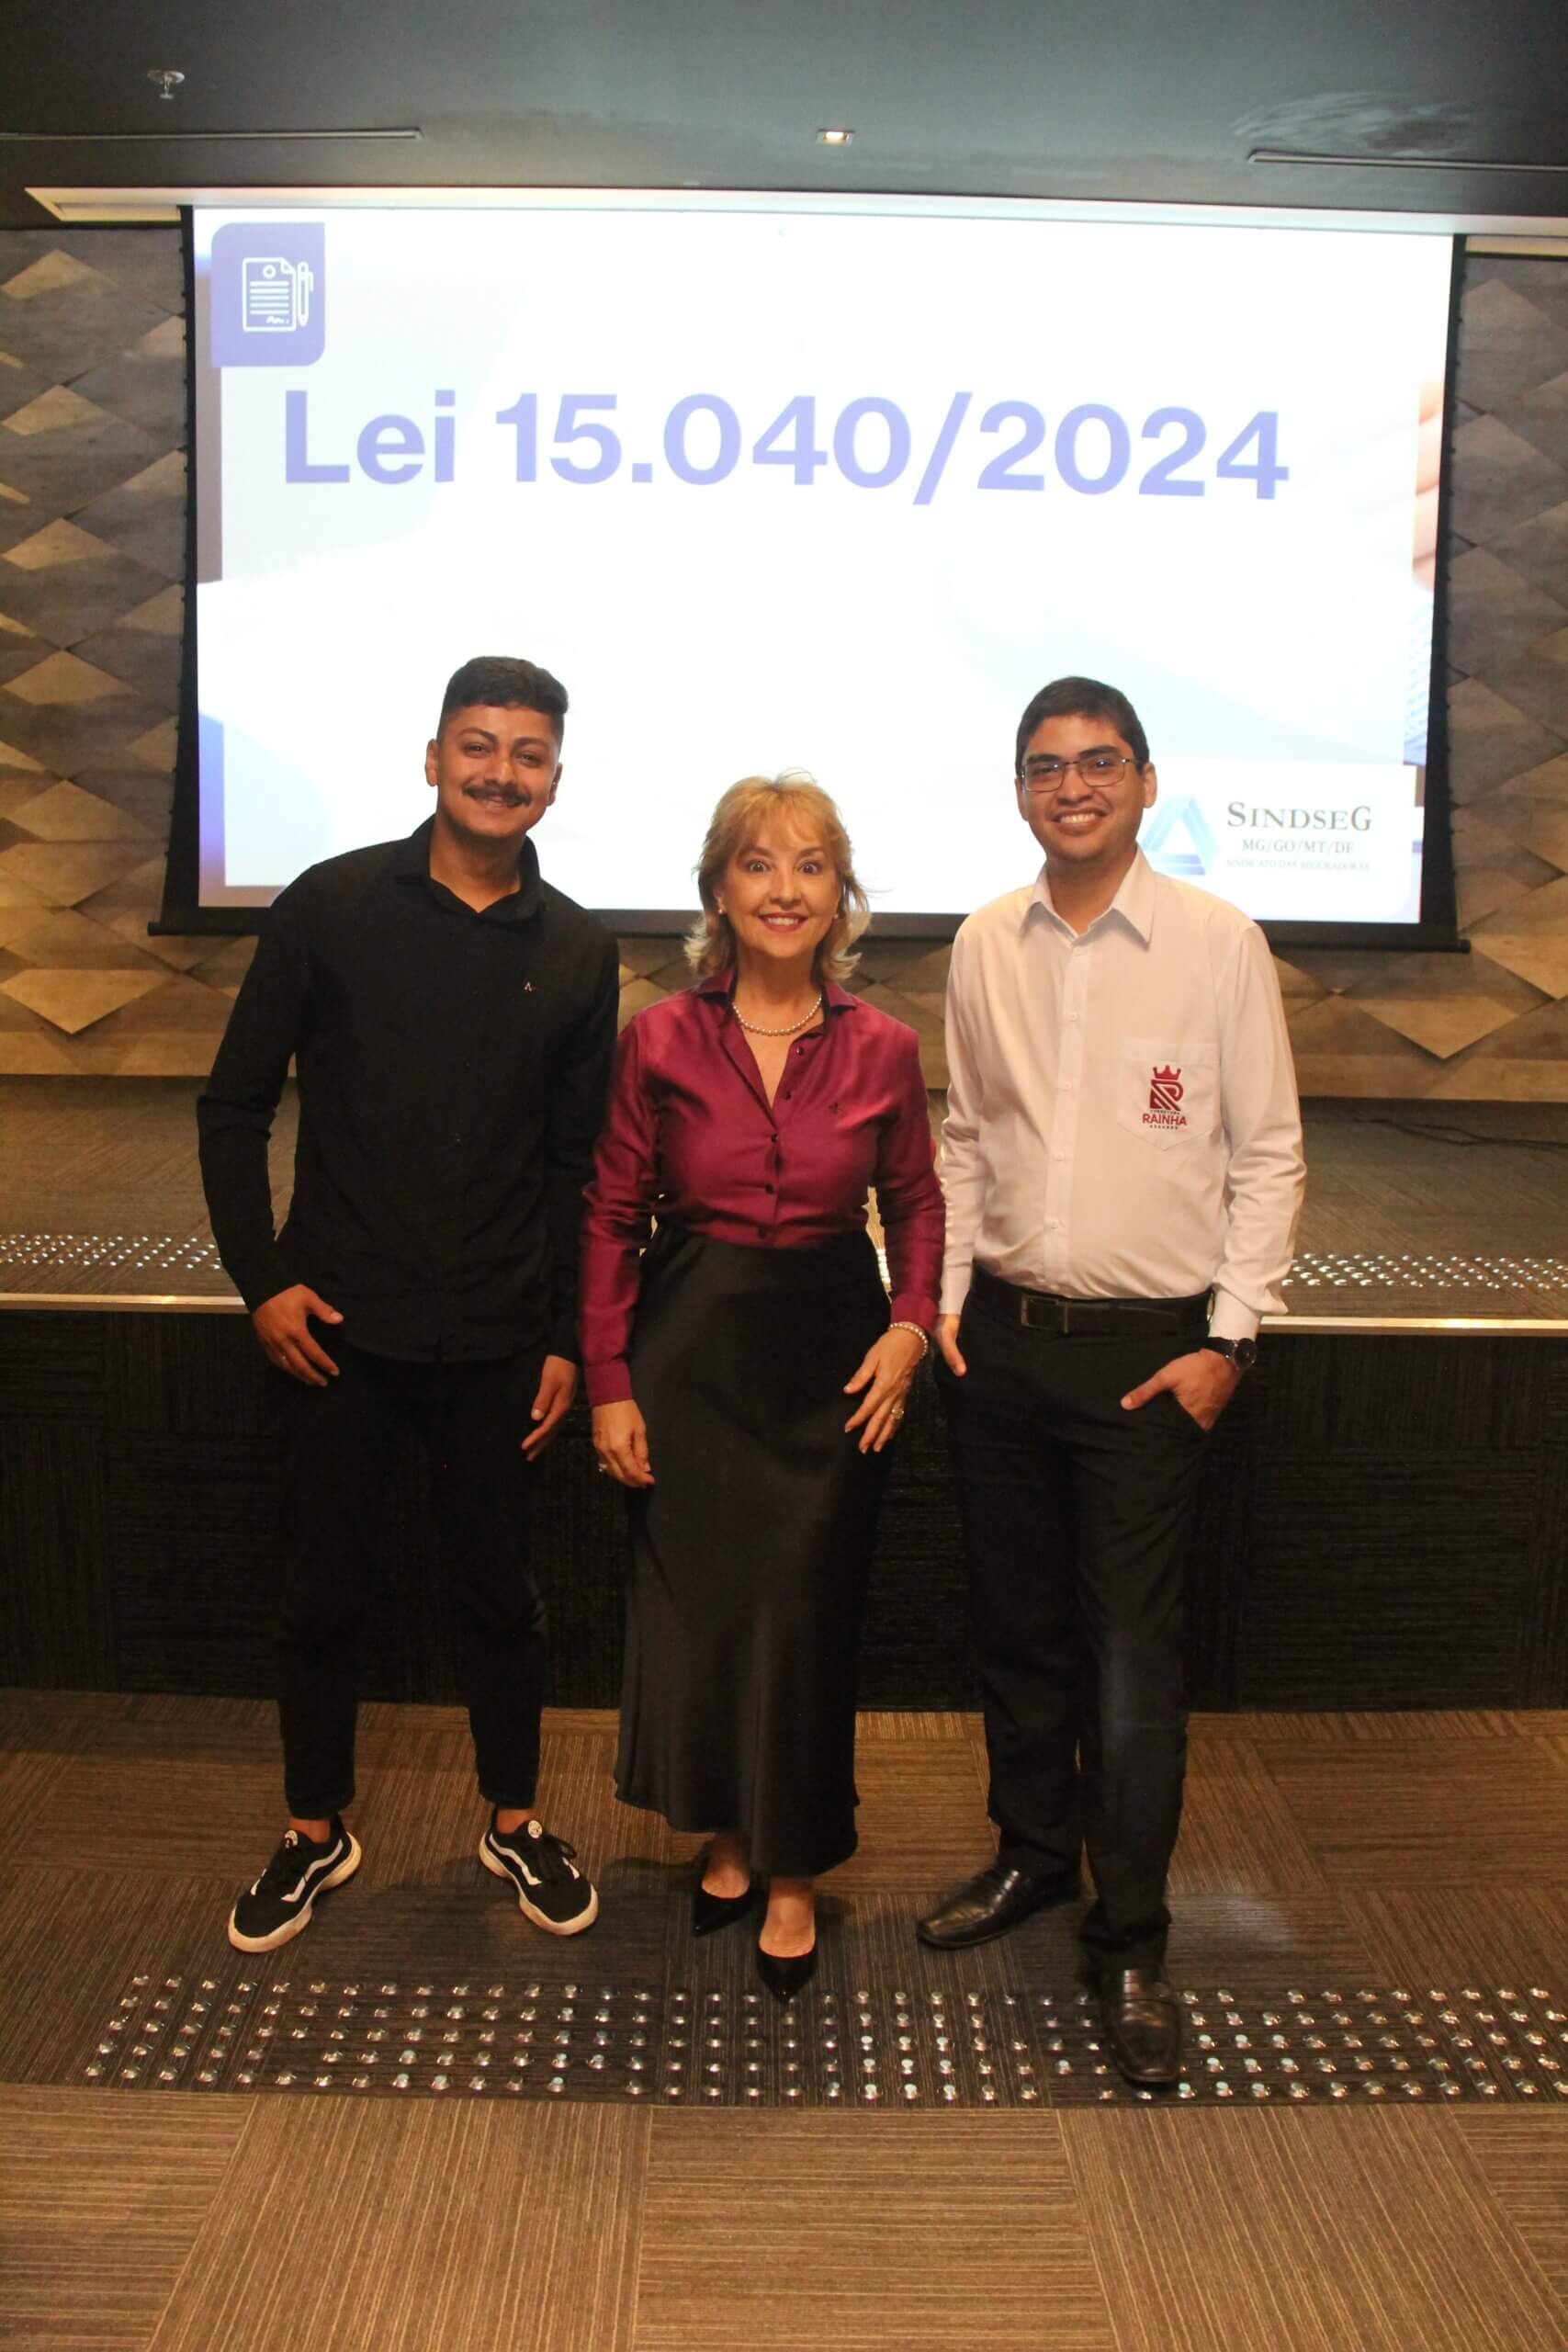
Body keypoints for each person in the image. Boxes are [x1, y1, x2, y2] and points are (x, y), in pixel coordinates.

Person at [198, 654, 619, 1952]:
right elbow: (232, 1107)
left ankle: (514, 1819)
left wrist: (567, 1338)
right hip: (336, 1332)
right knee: (322, 1595)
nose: (502, 772)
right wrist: (262, 1281)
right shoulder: (329, 906)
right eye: (478, 745)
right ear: (433, 759)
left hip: (501, 1338)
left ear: (556, 779)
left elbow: (579, 1168)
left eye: (529, 753)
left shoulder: (580, 948)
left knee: (502, 1598)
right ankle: (313, 1828)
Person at [920, 676, 1304, 2087]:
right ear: (1020, 788)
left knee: (1133, 1661)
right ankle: (1033, 1855)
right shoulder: (983, 941)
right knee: (1018, 1633)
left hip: (1153, 1361)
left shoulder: (1218, 943)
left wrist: (1229, 1342)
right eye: (1045, 766)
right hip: (1001, 1345)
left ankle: (1131, 1938)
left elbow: (1268, 1153)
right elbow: (966, 1139)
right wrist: (944, 1304)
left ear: (1146, 781)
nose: (1071, 787)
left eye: (1098, 763)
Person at [580, 775, 943, 1998]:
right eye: (757, 863)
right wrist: (609, 1379)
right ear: (717, 890)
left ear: (841, 896)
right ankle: (728, 1837)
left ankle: (793, 1867)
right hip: (690, 1348)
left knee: (803, 1613)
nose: (784, 888)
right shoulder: (658, 1039)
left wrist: (909, 1326)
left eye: (810, 865)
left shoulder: (886, 1046)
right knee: (705, 1613)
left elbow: (918, 1205)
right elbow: (611, 1215)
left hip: (831, 1362)